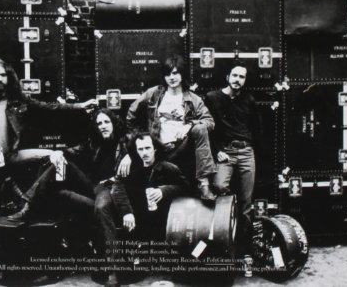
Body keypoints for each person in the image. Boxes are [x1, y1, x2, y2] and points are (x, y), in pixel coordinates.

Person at [0, 58, 96, 273]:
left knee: (51, 155)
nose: (0, 79)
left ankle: (29, 203)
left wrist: (80, 106)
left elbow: (49, 107)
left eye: (3, 75)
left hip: (10, 155)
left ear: (9, 77)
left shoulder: (16, 99)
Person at [125, 55, 217, 201]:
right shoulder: (154, 93)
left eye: (175, 73)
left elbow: (210, 122)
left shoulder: (193, 99)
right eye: (168, 74)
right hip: (158, 148)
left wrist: (189, 125)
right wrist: (137, 139)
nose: (171, 77)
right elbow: (132, 113)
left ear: (182, 74)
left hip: (181, 148)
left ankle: (204, 184)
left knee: (200, 129)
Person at [104, 133, 188, 287]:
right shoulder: (131, 168)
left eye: (148, 148)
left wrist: (164, 191)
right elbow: (118, 187)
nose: (144, 153)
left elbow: (186, 187)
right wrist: (126, 212)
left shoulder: (168, 168)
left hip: (163, 222)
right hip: (138, 220)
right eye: (140, 149)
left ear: (155, 149)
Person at [204, 61, 260, 255]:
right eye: (234, 75)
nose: (237, 80)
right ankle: (224, 241)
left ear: (245, 81)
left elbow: (257, 128)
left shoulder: (249, 100)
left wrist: (249, 148)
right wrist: (217, 150)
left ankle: (245, 249)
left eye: (241, 77)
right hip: (225, 152)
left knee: (246, 202)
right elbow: (207, 129)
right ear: (227, 77)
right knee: (220, 186)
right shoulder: (212, 98)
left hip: (246, 152)